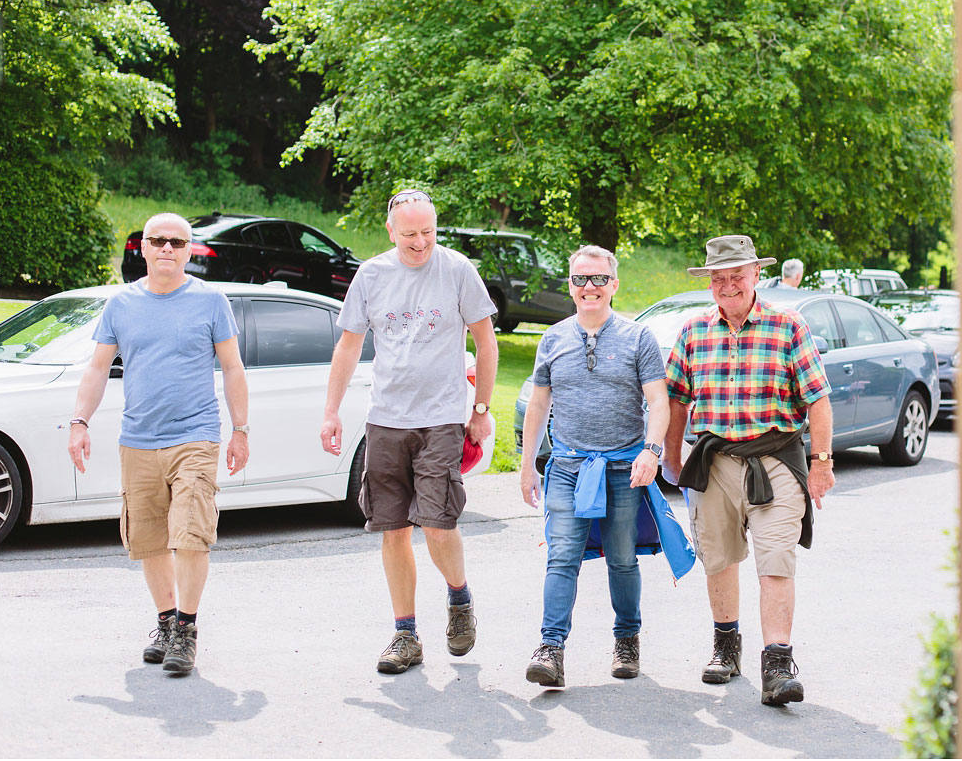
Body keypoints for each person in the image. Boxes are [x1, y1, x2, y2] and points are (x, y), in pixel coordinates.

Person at [320, 188, 499, 675]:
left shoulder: (458, 270)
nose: (420, 243)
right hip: (386, 421)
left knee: (439, 523)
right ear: (390, 231)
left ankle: (459, 599)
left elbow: (486, 342)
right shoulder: (372, 275)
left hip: (441, 418)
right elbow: (348, 347)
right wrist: (331, 411)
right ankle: (405, 634)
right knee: (392, 528)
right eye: (410, 235)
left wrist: (480, 408)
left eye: (428, 232)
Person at [67, 212, 249, 678]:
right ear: (142, 248)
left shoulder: (211, 302)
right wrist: (79, 421)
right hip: (138, 438)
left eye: (177, 242)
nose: (167, 248)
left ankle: (186, 631)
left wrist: (240, 429)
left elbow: (232, 367)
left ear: (190, 251)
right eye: (158, 241)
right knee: (148, 540)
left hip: (196, 435)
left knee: (191, 533)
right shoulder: (121, 305)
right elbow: (97, 368)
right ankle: (166, 624)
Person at [663, 234, 834, 708]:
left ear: (757, 274)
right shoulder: (694, 331)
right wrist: (672, 458)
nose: (727, 286)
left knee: (776, 557)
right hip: (714, 460)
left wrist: (821, 463)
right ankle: (726, 648)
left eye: (736, 276)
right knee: (717, 558)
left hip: (776, 459)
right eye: (718, 278)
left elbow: (817, 399)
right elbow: (677, 400)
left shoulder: (787, 326)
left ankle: (777, 665)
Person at [518, 244, 673, 688]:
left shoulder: (637, 337)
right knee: (561, 557)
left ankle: (627, 639)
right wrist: (528, 466)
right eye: (581, 279)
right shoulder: (552, 338)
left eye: (599, 279)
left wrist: (652, 450)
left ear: (614, 285)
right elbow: (538, 405)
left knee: (622, 560)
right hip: (567, 467)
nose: (590, 287)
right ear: (570, 285)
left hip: (625, 467)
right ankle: (550, 648)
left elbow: (658, 401)